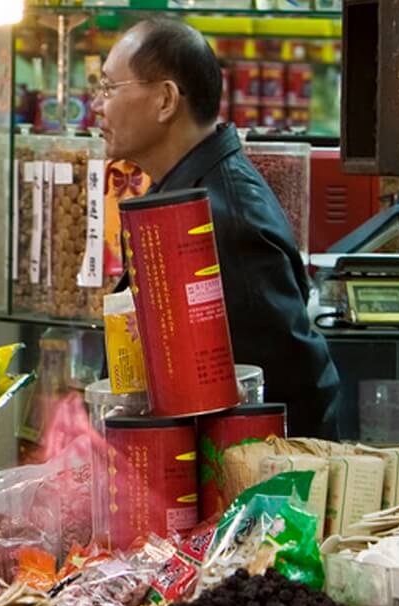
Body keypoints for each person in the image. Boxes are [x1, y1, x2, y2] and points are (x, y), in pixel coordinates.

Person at [92, 17, 344, 437]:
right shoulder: (179, 196)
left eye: (107, 88)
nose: (97, 105)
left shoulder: (222, 218)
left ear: (166, 100)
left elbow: (293, 387)